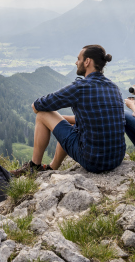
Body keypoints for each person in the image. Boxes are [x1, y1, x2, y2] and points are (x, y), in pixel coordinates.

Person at [11, 45, 126, 177]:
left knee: (43, 115)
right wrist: (62, 119)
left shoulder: (80, 87)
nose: (76, 62)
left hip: (93, 161)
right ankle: (52, 167)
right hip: (116, 158)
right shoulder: (114, 87)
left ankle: (34, 166)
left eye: (78, 59)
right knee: (70, 125)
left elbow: (37, 106)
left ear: (87, 61)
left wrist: (47, 114)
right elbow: (95, 118)